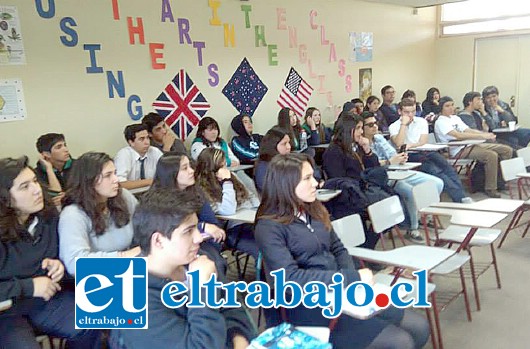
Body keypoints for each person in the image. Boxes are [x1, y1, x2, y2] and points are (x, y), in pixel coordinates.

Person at [255, 153, 430, 349]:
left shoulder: (313, 209)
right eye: (307, 178)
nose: (316, 183)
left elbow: (338, 248)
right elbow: (289, 279)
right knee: (400, 342)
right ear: (285, 184)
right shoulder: (269, 226)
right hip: (309, 306)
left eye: (313, 176)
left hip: (342, 293)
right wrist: (349, 278)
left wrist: (351, 285)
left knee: (420, 327)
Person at [109, 189, 256, 349]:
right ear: (158, 240)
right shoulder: (130, 299)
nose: (199, 237)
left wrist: (238, 338)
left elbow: (234, 307)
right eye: (188, 231)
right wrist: (201, 290)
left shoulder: (196, 258)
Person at [0, 156, 100, 348]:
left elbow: (59, 256)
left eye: (35, 181)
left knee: (94, 321)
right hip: (7, 311)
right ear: (4, 197)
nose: (37, 190)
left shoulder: (48, 216)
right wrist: (29, 286)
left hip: (46, 300)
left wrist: (58, 265)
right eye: (24, 187)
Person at [362, 111, 444, 242]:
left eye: (375, 123)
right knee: (409, 191)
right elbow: (369, 166)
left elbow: (391, 153)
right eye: (370, 125)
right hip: (382, 177)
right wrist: (390, 161)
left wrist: (400, 158)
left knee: (437, 183)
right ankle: (413, 228)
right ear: (362, 128)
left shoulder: (379, 138)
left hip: (397, 170)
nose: (375, 127)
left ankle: (422, 216)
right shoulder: (362, 144)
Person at [59, 152, 140, 275]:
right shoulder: (73, 214)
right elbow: (75, 264)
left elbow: (146, 224)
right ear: (89, 180)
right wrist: (124, 256)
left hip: (130, 269)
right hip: (98, 278)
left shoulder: (123, 196)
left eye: (115, 173)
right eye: (108, 175)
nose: (116, 180)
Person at [389, 98, 473, 203]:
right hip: (409, 156)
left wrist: (410, 144)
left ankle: (462, 197)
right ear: (399, 112)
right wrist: (404, 125)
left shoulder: (421, 121)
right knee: (435, 170)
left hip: (425, 150)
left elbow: (423, 141)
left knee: (447, 167)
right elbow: (399, 143)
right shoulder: (394, 126)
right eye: (406, 112)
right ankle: (460, 199)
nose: (410, 115)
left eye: (413, 111)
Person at [434, 96, 513, 198]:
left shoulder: (455, 118)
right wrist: (481, 136)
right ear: (441, 108)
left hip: (471, 144)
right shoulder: (441, 122)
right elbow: (458, 135)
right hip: (457, 149)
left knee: (507, 150)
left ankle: (500, 181)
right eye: (447, 106)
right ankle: (491, 188)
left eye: (452, 105)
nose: (451, 108)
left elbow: (468, 130)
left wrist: (485, 134)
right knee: (491, 155)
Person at [150, 151, 226, 253]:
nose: (191, 171)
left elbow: (213, 223)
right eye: (185, 168)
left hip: (202, 243)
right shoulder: (157, 201)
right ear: (172, 173)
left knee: (216, 262)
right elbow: (170, 229)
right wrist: (202, 227)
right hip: (173, 249)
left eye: (190, 166)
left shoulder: (196, 192)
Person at [195, 148, 260, 259]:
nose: (226, 169)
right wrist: (227, 182)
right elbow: (228, 210)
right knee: (262, 249)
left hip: (249, 223)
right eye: (222, 166)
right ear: (212, 168)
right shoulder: (202, 188)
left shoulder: (232, 176)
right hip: (231, 231)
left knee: (276, 239)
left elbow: (253, 199)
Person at [114, 123, 163, 190]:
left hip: (152, 193)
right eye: (141, 139)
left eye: (147, 138)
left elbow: (166, 173)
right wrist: (149, 181)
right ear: (131, 142)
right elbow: (120, 184)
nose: (147, 142)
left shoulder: (155, 151)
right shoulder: (124, 155)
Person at [35, 133, 75, 205]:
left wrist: (68, 197)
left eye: (65, 145)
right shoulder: (37, 174)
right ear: (47, 154)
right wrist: (49, 169)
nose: (66, 149)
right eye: (59, 147)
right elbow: (55, 198)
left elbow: (88, 191)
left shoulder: (79, 165)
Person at [254, 126, 292, 193]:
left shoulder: (287, 161)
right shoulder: (264, 167)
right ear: (273, 145)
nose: (289, 147)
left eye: (289, 142)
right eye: (284, 144)